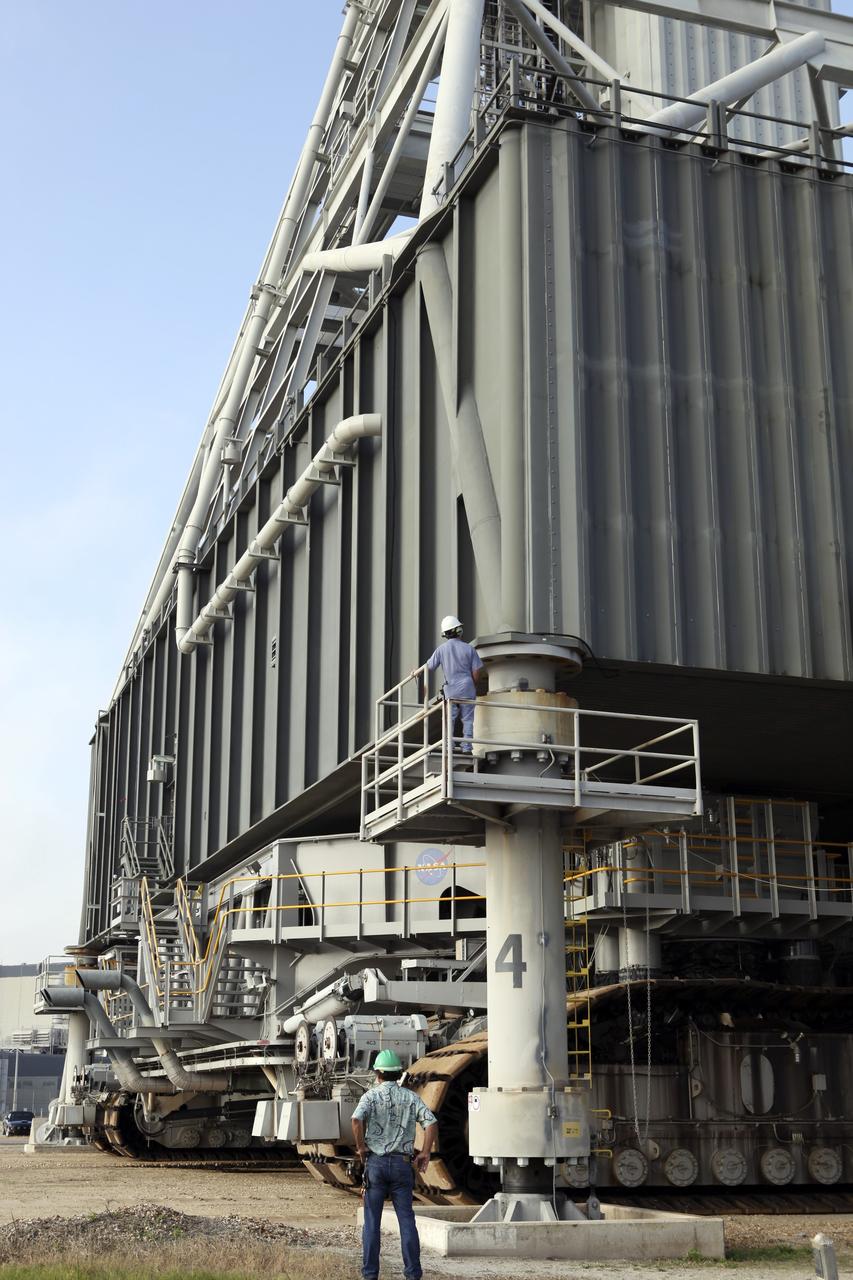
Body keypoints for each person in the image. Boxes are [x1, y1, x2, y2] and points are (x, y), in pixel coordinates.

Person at [352, 1048, 438, 1280]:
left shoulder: (370, 1096)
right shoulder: (411, 1097)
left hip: (376, 1164)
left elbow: (356, 1120)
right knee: (406, 1220)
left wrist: (361, 1147)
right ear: (399, 1073)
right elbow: (431, 1123)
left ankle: (370, 1275)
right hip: (402, 1165)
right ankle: (413, 1274)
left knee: (372, 1222)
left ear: (378, 1073)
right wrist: (425, 1153)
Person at [416, 615, 484, 753]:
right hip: (467, 687)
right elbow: (477, 672)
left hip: (451, 689)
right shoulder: (469, 649)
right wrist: (472, 685)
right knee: (468, 719)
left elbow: (429, 666)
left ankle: (449, 746)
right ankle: (467, 747)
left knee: (449, 719)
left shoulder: (441, 650)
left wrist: (416, 672)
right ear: (458, 630)